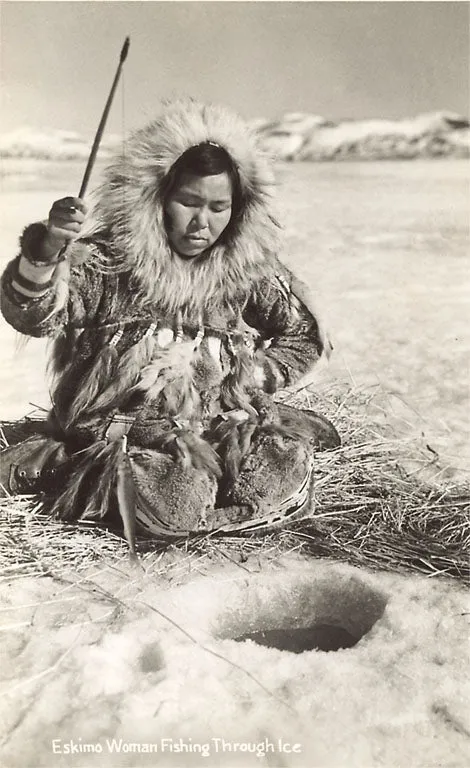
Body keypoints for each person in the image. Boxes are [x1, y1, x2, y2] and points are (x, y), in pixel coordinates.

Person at [0, 98, 340, 552]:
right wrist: (46, 253)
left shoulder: (248, 271)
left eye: (220, 207)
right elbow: (35, 316)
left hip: (216, 427)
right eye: (189, 202)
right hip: (122, 430)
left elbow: (304, 335)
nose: (203, 222)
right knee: (172, 505)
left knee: (277, 475)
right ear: (157, 198)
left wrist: (249, 378)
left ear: (239, 208)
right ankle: (76, 465)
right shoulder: (110, 262)